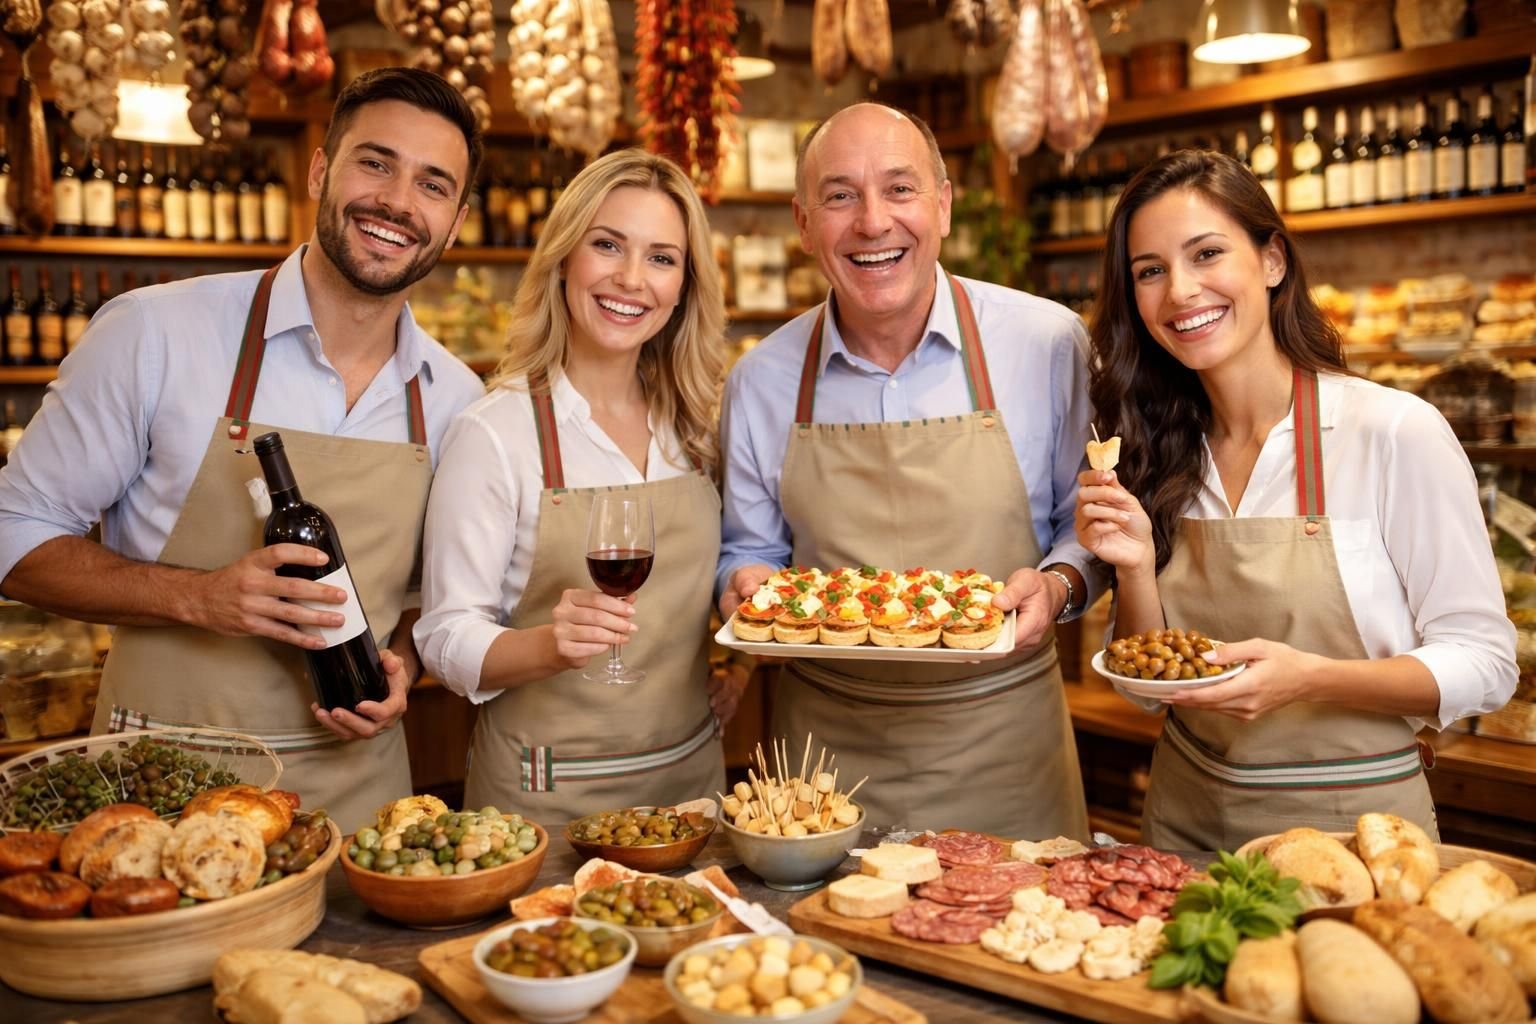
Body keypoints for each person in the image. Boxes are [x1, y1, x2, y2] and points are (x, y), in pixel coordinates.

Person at [0, 68, 487, 831]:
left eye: (433, 185)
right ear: (321, 171)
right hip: (162, 801)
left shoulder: (457, 398)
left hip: (363, 814)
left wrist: (405, 666)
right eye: (375, 163)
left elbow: (433, 602)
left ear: (455, 221)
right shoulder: (155, 334)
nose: (397, 201)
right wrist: (196, 596)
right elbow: (13, 537)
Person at [1075, 148, 1517, 850]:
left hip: (1356, 836)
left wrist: (1309, 678)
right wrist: (1132, 570)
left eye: (1207, 253)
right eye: (1150, 271)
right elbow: (1139, 683)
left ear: (1273, 260)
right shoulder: (1158, 447)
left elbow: (1487, 664)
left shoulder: (1391, 432)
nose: (1180, 291)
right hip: (1182, 824)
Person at [716, 103, 1097, 838]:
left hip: (1007, 749)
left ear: (943, 206)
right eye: (839, 196)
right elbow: (747, 548)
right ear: (802, 224)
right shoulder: (760, 380)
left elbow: (1083, 530)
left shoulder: (1047, 343)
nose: (871, 222)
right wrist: (740, 582)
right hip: (820, 770)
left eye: (899, 189)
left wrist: (1060, 584)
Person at [414, 148, 728, 823]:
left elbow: (731, 579)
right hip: (545, 806)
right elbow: (444, 640)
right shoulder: (496, 433)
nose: (631, 279)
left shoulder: (701, 430)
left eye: (662, 258)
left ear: (684, 288)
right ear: (563, 260)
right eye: (607, 245)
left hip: (694, 793)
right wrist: (548, 646)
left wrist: (742, 664)